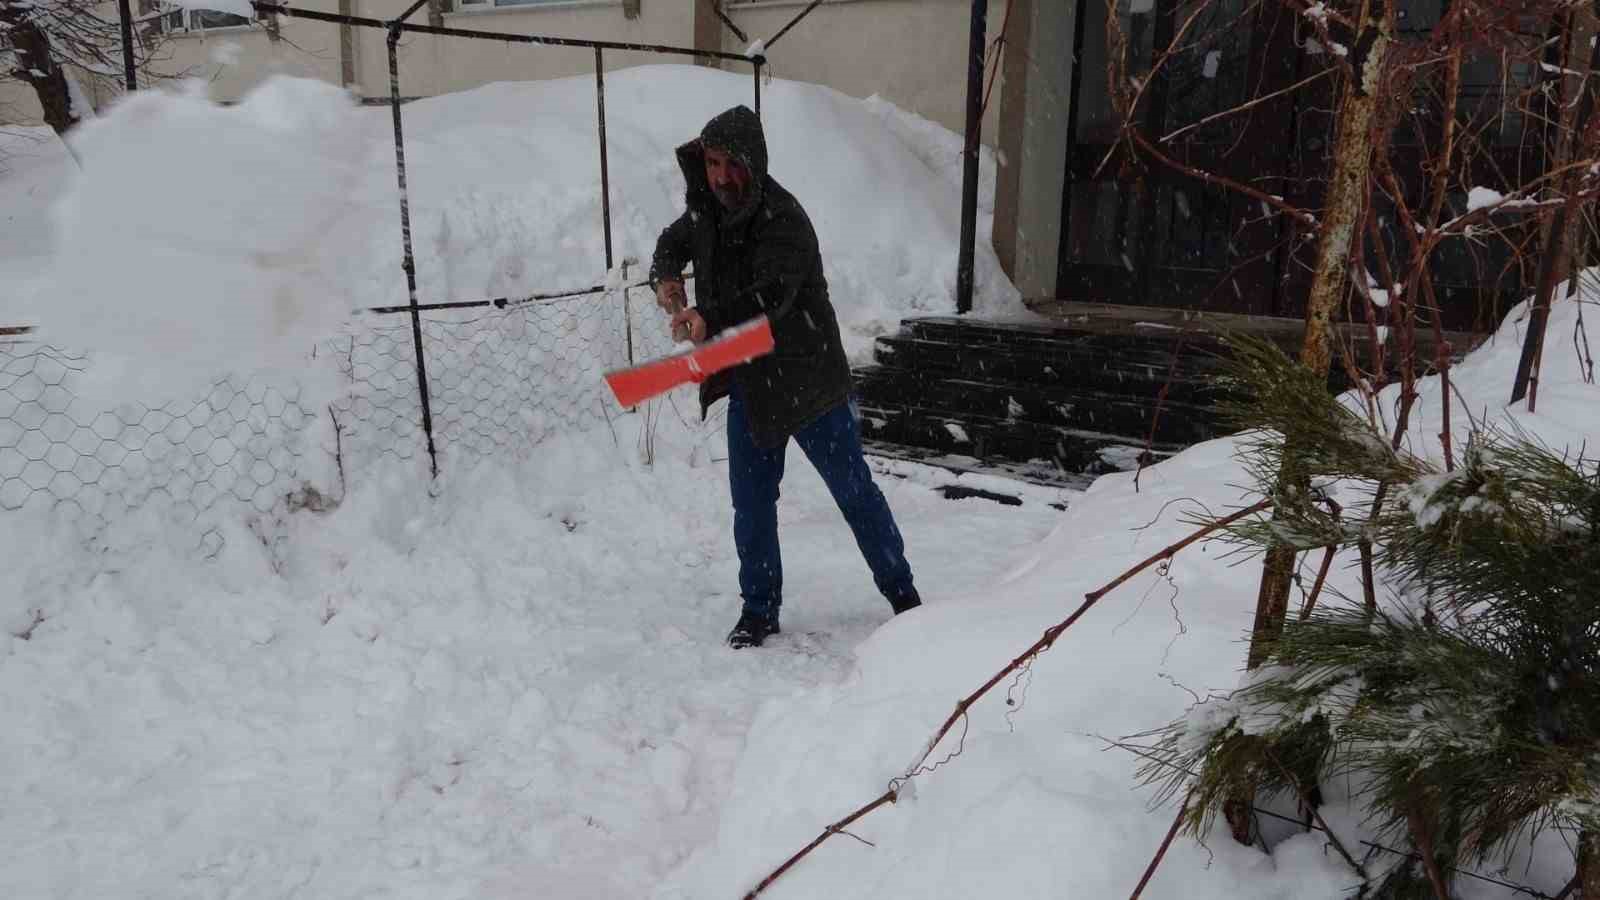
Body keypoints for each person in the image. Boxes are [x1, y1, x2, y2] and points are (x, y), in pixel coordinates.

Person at [649, 105, 922, 649]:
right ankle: (759, 609)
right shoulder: (705, 209)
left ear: (754, 163)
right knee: (750, 504)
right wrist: (667, 282)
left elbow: (768, 298)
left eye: (732, 165)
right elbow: (672, 242)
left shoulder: (785, 220)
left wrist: (708, 320)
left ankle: (904, 598)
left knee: (854, 493)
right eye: (712, 163)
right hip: (751, 382)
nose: (721, 176)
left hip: (810, 381)